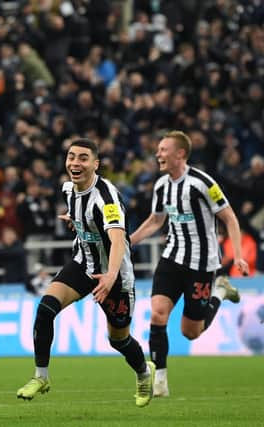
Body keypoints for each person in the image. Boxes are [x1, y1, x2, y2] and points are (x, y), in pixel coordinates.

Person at [17, 138, 155, 408]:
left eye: (82, 158)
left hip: (114, 275)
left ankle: (143, 372)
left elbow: (117, 238)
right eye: (71, 157)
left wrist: (112, 275)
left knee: (119, 339)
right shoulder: (68, 189)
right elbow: (85, 218)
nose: (75, 163)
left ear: (95, 164)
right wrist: (76, 221)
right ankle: (41, 376)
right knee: (45, 309)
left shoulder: (107, 197)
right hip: (82, 264)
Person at [130, 130, 248, 397]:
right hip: (172, 258)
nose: (158, 154)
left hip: (202, 264)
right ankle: (159, 380)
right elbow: (156, 220)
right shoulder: (161, 186)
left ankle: (219, 290)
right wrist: (128, 242)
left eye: (163, 150)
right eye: (158, 149)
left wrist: (238, 255)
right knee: (158, 313)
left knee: (190, 332)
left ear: (180, 154)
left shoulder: (202, 183)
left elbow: (229, 217)